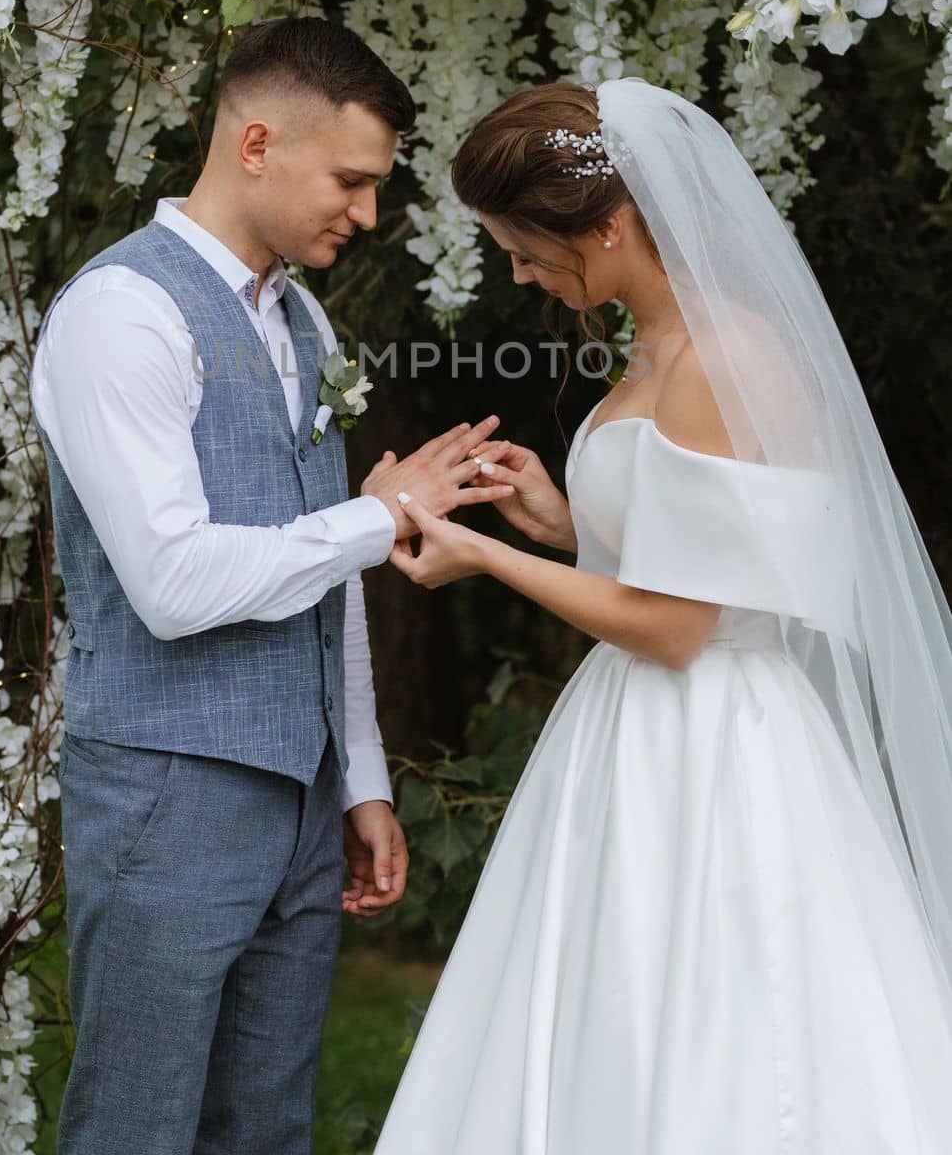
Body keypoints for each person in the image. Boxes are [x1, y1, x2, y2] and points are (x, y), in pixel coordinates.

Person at [375, 76, 952, 1154]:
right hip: (633, 733)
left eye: (526, 248)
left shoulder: (721, 358)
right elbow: (693, 559)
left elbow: (682, 624)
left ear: (610, 224)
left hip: (716, 740)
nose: (521, 274)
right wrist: (555, 519)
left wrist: (489, 557)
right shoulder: (656, 341)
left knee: (717, 1016)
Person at [29, 16, 514, 1155]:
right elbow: (174, 581)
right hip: (167, 793)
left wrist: (361, 777)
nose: (368, 212)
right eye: (350, 179)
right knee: (137, 1127)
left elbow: (324, 565)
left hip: (303, 801)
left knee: (265, 1130)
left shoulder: (301, 319)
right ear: (256, 143)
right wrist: (381, 511)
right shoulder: (122, 313)